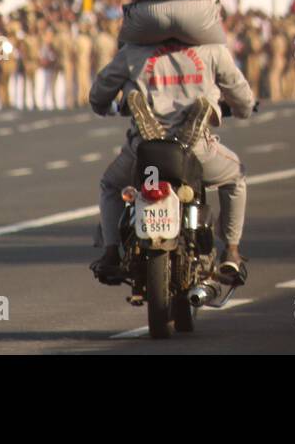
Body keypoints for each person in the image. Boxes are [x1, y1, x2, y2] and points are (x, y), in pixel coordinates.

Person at [88, 39, 256, 286]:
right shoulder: (213, 52)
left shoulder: (133, 52)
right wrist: (242, 109)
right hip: (195, 151)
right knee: (235, 176)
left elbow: (99, 95)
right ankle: (231, 252)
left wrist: (106, 105)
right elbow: (243, 99)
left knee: (111, 185)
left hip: (144, 154)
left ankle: (112, 252)